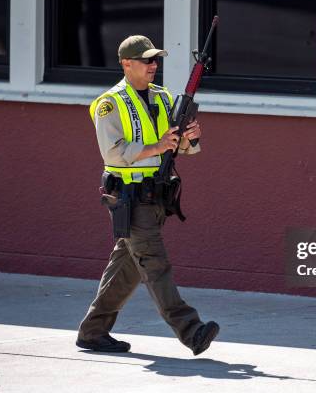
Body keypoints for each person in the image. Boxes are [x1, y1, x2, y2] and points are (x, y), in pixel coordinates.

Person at [76, 35, 219, 355]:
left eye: (155, 60)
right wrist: (158, 146)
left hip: (156, 196)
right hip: (128, 198)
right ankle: (191, 330)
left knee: (126, 268)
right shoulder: (110, 103)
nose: (153, 65)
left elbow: (181, 146)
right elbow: (113, 153)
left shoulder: (163, 97)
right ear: (126, 64)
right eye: (146, 60)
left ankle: (93, 331)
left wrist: (190, 137)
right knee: (155, 265)